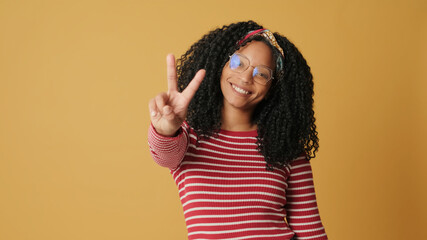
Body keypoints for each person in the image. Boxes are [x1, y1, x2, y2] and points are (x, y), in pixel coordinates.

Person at [148, 20, 328, 240]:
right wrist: (166, 130)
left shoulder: (286, 147)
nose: (245, 77)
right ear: (221, 63)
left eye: (262, 74)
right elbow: (164, 155)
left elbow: (311, 231)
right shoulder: (189, 137)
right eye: (238, 62)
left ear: (273, 87)